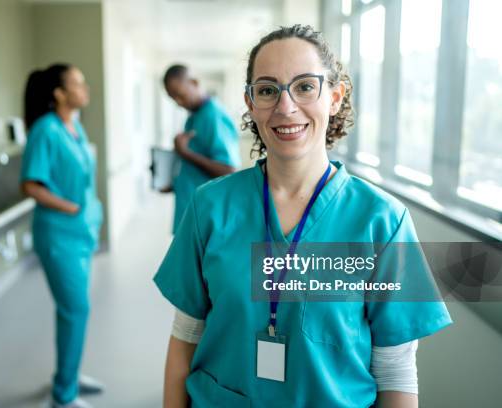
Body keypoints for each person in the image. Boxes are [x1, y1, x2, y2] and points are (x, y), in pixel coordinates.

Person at [154, 25, 452, 407]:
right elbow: (185, 336)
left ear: (335, 96)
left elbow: (395, 370)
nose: (285, 106)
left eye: (305, 86)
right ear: (250, 103)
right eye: (267, 90)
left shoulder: (382, 222)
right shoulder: (210, 207)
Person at [21, 63, 104, 408]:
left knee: (73, 309)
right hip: (59, 236)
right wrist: (70, 208)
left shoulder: (74, 127)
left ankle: (67, 375)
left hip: (81, 233)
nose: (85, 88)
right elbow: (30, 185)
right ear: (59, 93)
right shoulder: (46, 130)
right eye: (77, 83)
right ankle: (63, 396)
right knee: (76, 309)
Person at [161, 64, 241, 233]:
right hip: (191, 210)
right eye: (173, 98)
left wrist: (185, 153)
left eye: (180, 95)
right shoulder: (195, 116)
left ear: (194, 82)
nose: (178, 102)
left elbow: (229, 170)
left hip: (206, 215)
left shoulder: (213, 116)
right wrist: (174, 183)